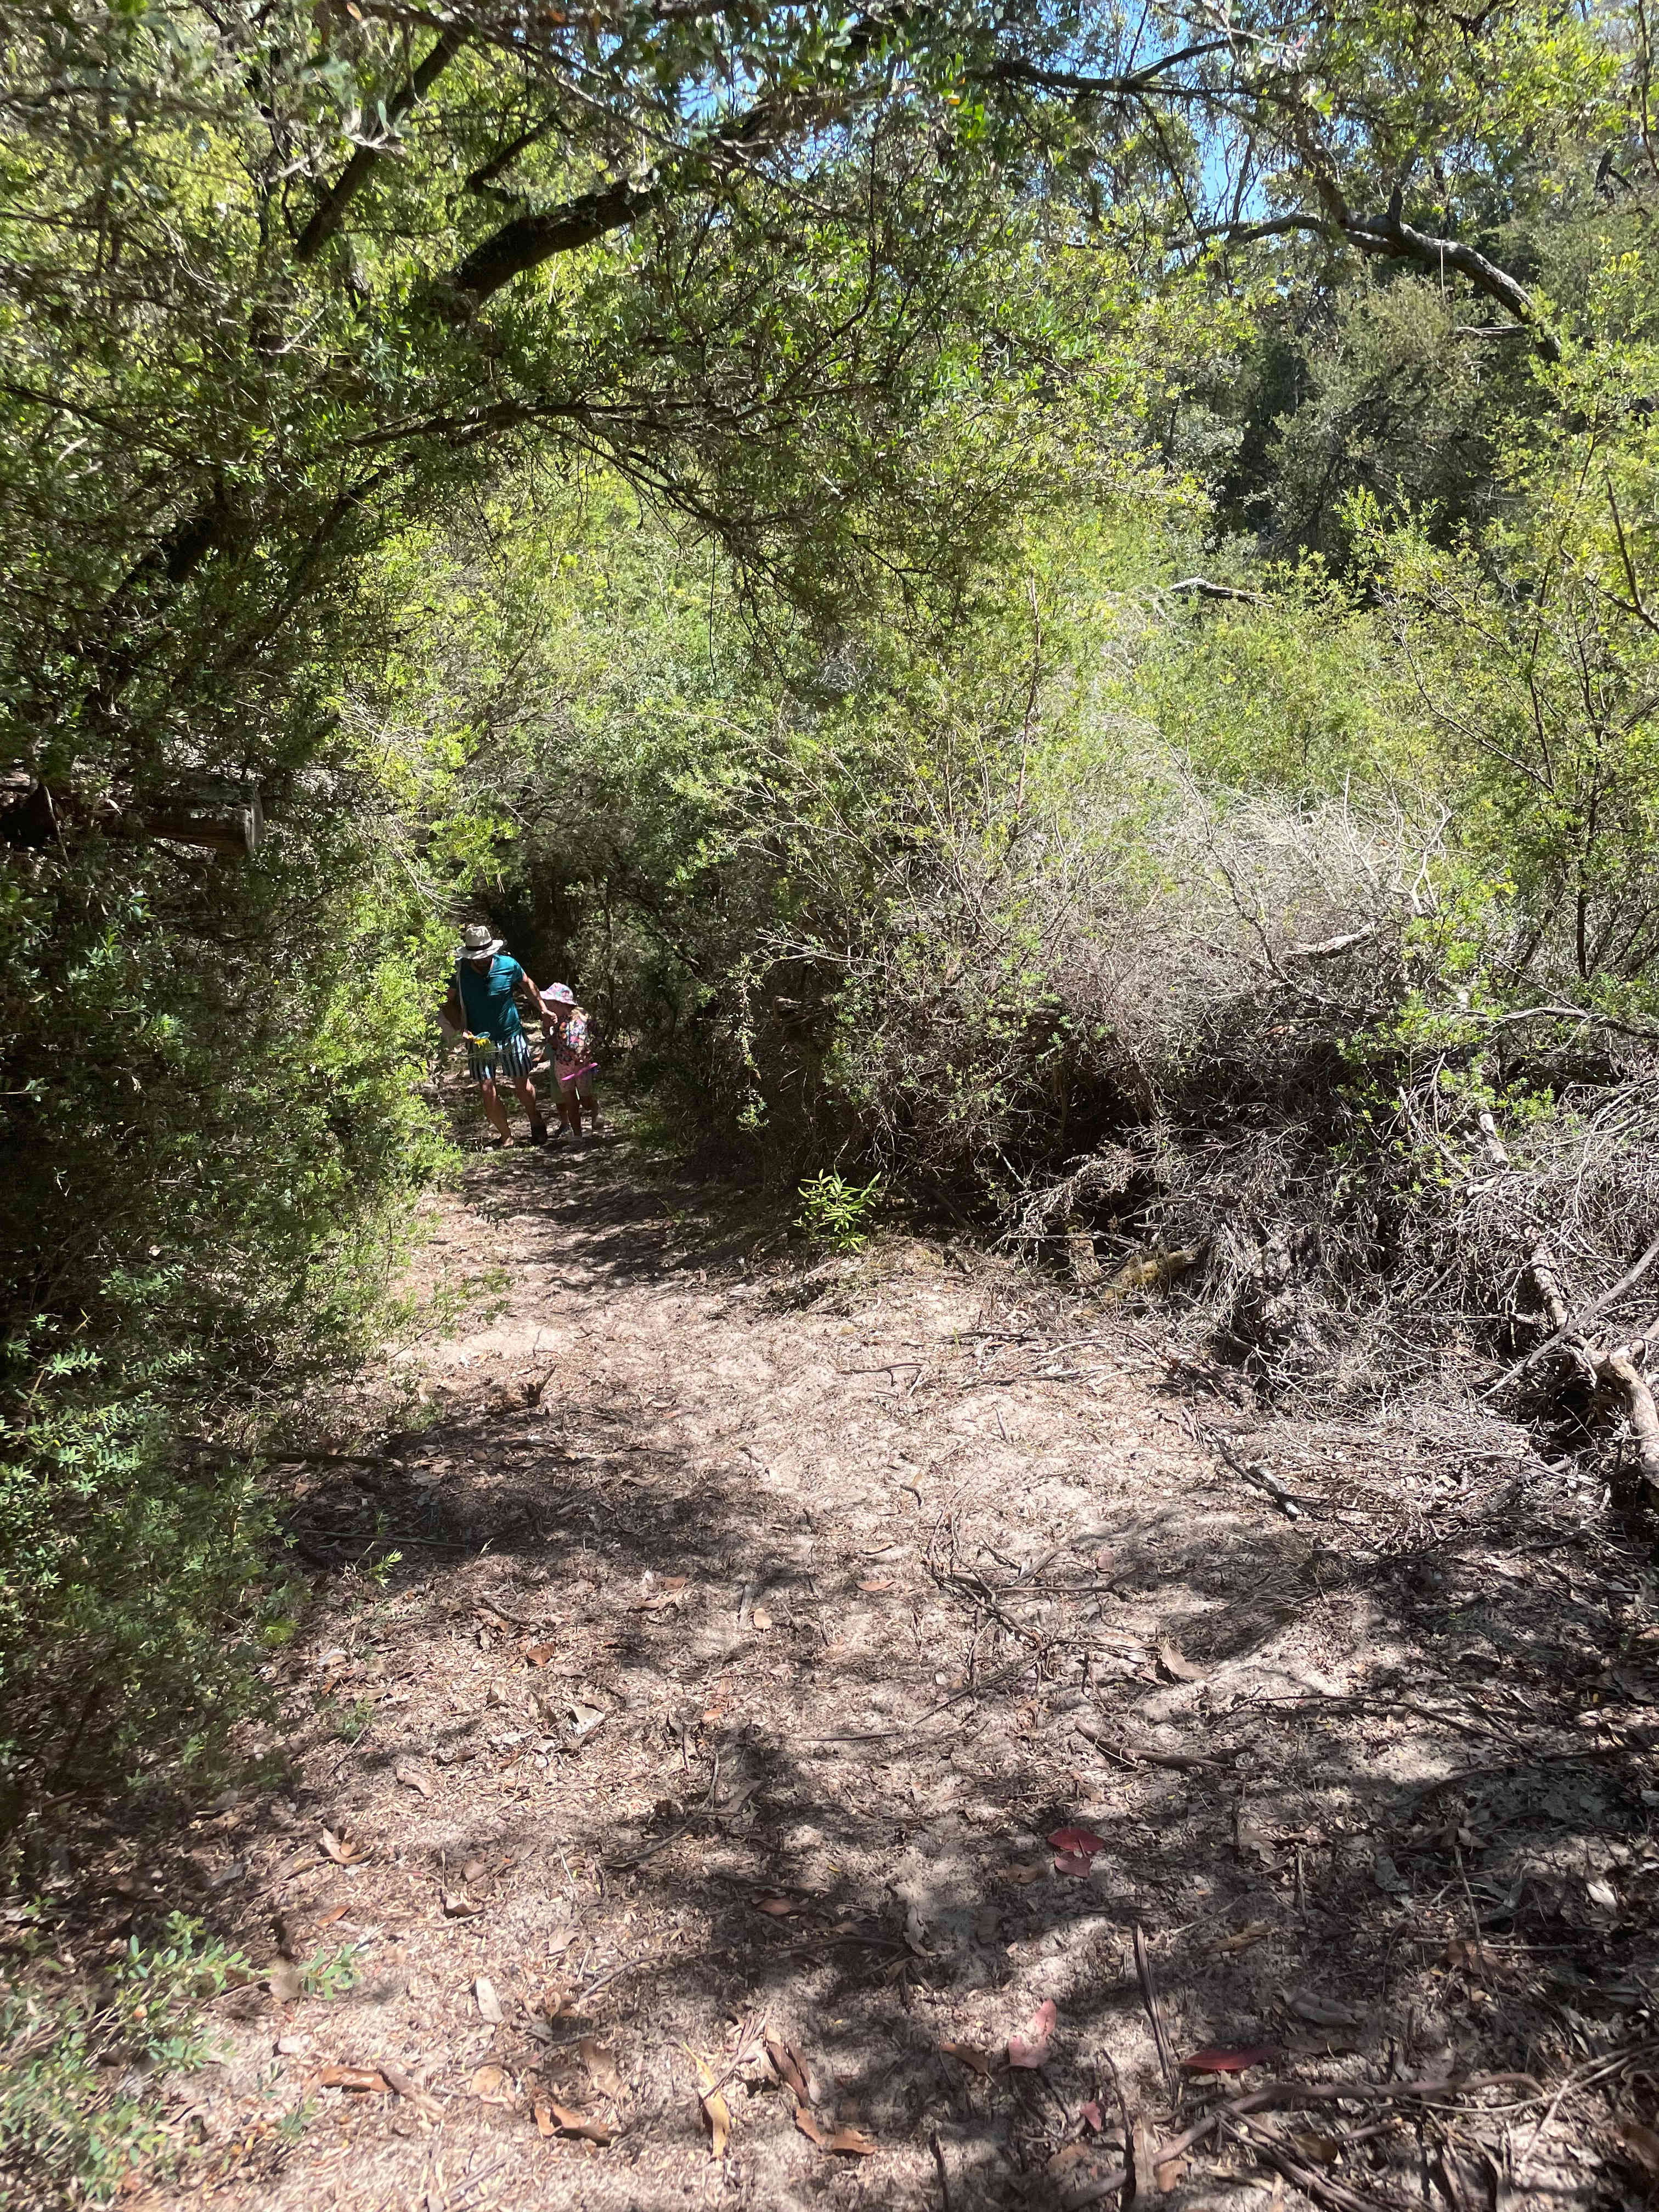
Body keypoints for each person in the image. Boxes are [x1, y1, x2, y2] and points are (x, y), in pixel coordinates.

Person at [440, 923, 550, 1147]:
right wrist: (460, 1028)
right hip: (479, 1039)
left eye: (486, 955)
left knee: (522, 1084)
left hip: (511, 1033)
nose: (483, 960)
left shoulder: (508, 965)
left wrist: (543, 1009)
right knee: (486, 1089)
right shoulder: (459, 972)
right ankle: (506, 1136)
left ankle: (535, 1121)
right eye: (477, 956)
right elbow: (447, 1001)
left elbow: (527, 984)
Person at [543, 983, 601, 1138]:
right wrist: (547, 1031)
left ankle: (594, 1107)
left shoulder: (584, 1016)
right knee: (571, 1103)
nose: (547, 1005)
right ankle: (578, 1137)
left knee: (585, 1099)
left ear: (560, 1003)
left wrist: (588, 1051)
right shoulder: (555, 1020)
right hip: (562, 1064)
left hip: (582, 1065)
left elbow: (598, 1035)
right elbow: (555, 1044)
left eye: (550, 1002)